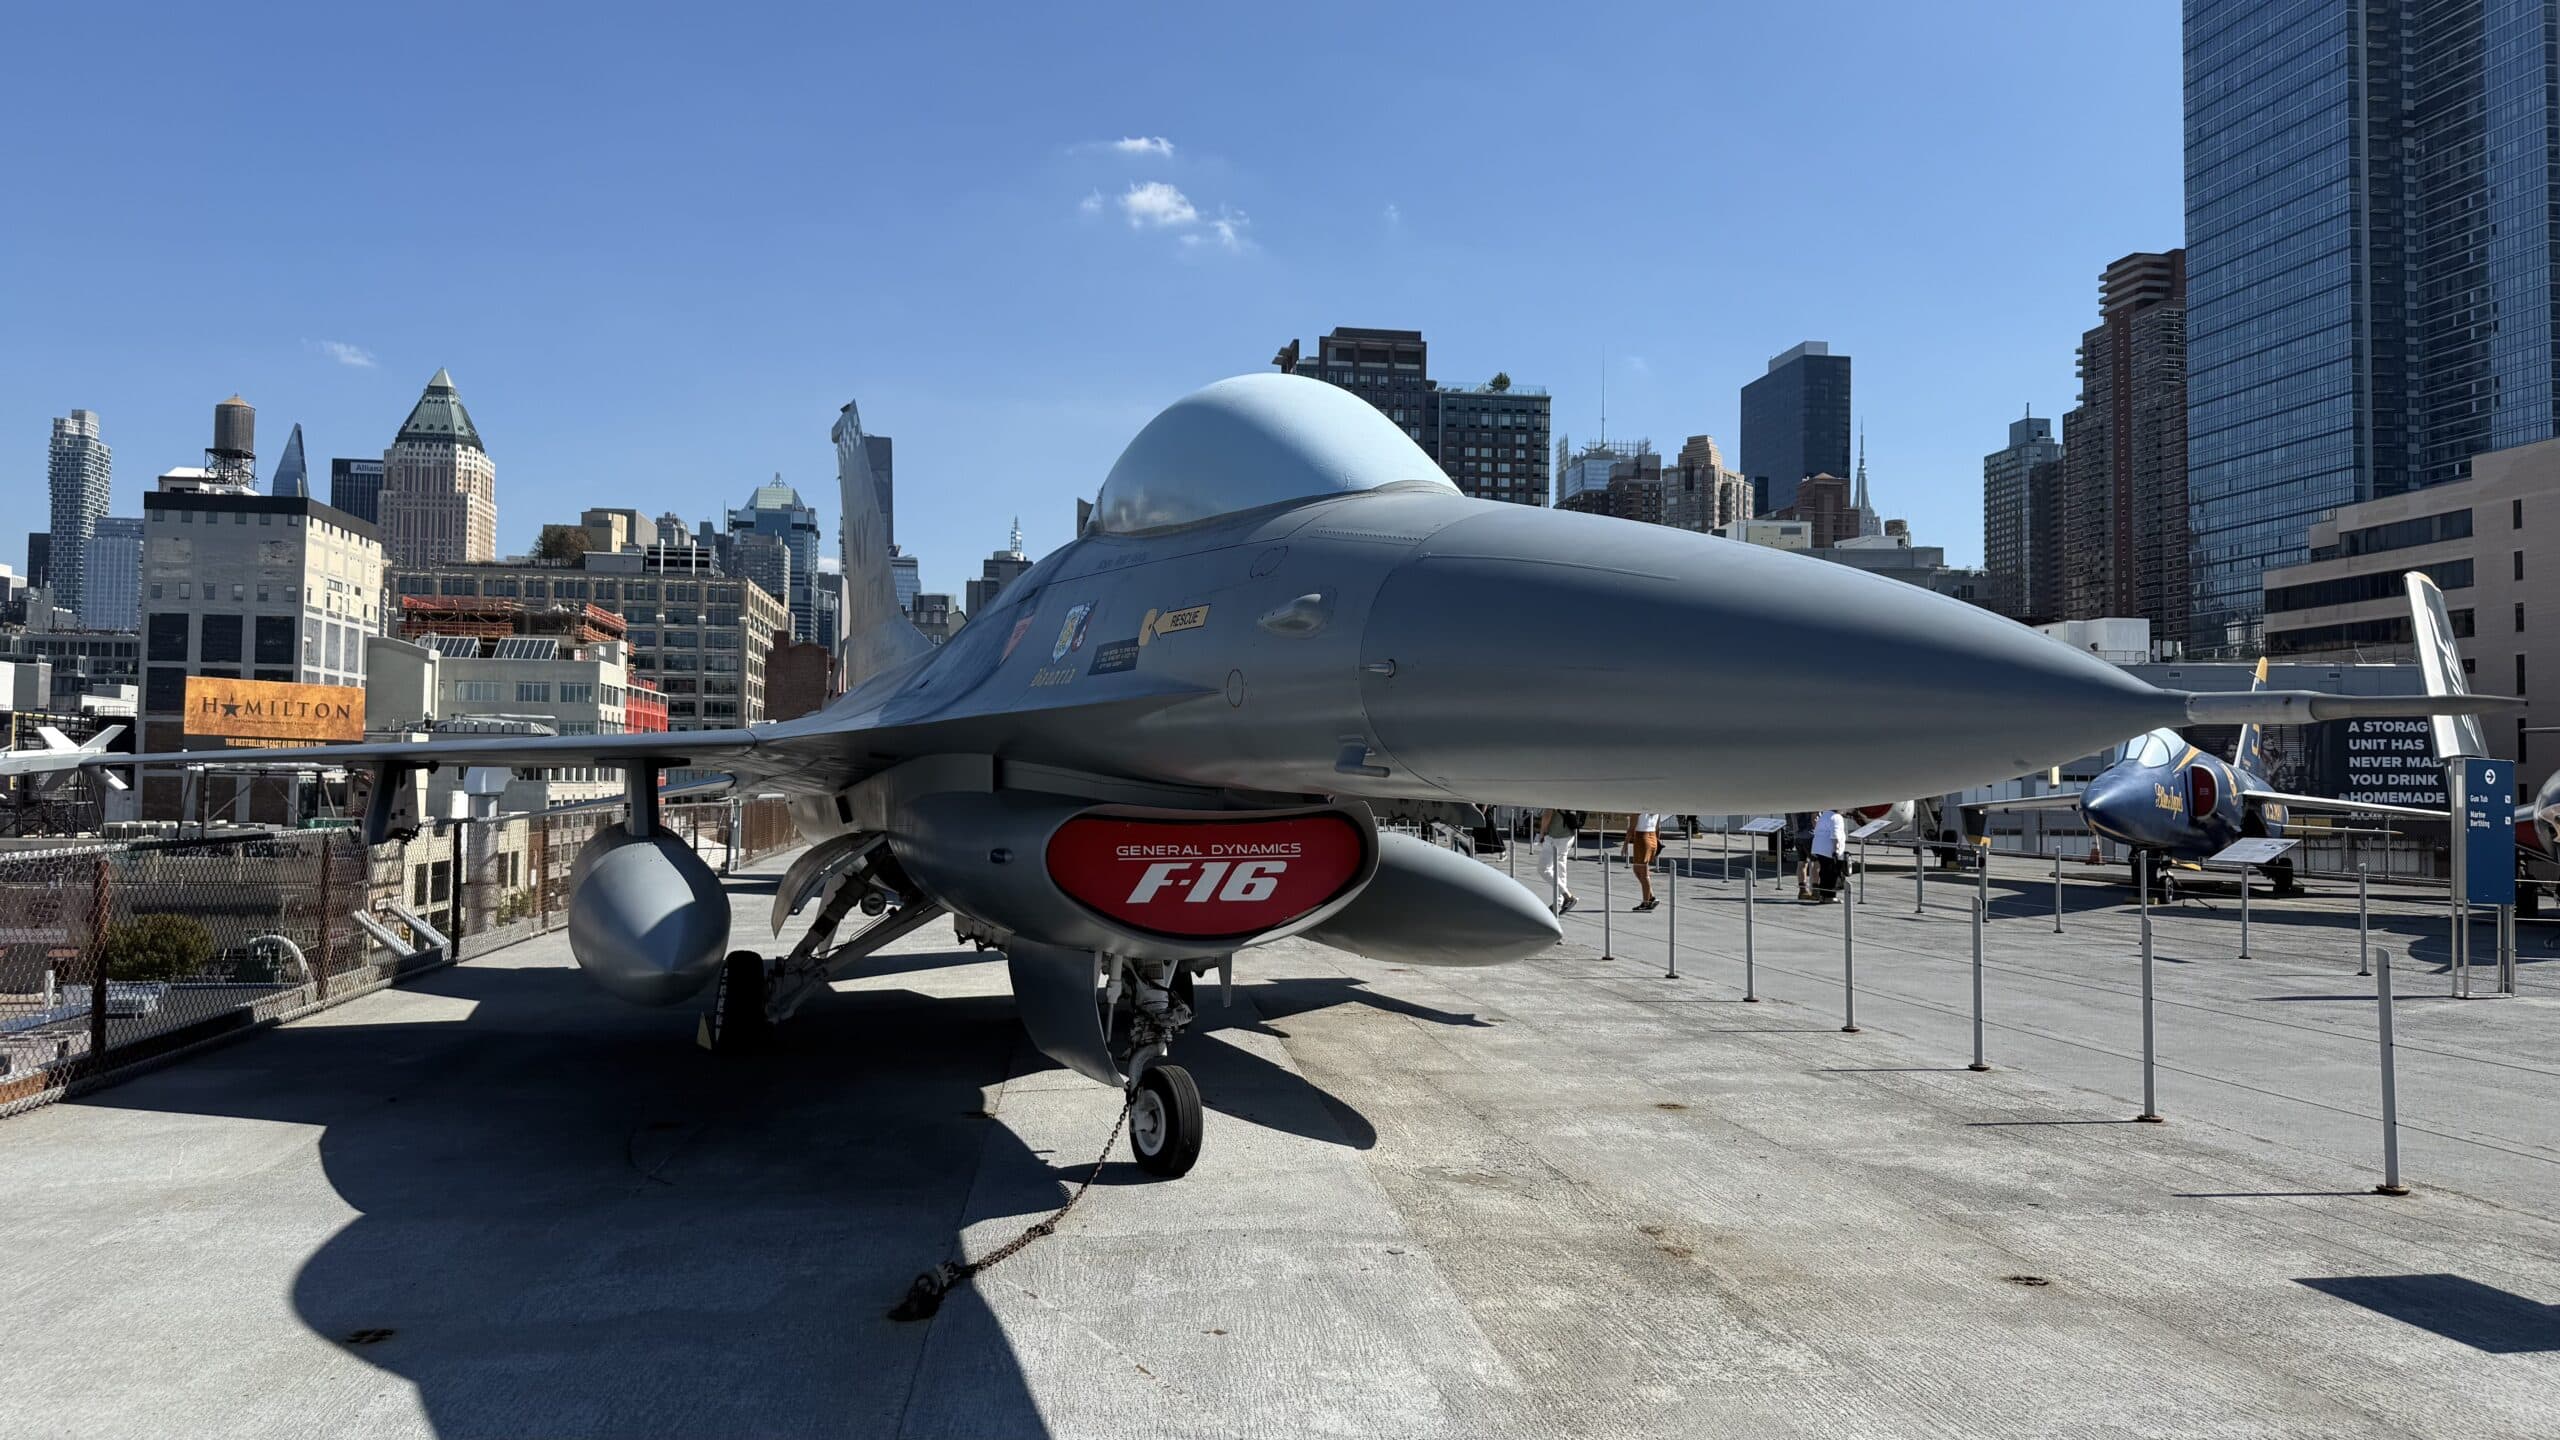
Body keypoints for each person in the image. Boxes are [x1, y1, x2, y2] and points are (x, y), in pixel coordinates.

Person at [1536, 808, 1581, 915]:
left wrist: (1542, 833)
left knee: (1543, 869)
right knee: (1560, 869)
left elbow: (1547, 814)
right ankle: (1559, 903)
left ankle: (1568, 897)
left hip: (1556, 837)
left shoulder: (1552, 794)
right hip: (1569, 835)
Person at [1810, 808, 1848, 903]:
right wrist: (1836, 850)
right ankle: (1830, 897)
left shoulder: (1824, 815)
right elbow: (1835, 835)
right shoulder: (1837, 817)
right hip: (1829, 850)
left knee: (1824, 873)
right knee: (1832, 874)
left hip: (1819, 849)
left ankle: (1823, 895)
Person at [1626, 812, 1661, 910]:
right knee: (1638, 870)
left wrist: (1625, 844)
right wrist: (1657, 843)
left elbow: (1631, 828)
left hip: (1642, 837)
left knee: (1643, 872)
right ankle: (1650, 897)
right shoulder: (1656, 810)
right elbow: (1658, 827)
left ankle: (1646, 902)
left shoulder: (1638, 809)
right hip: (1652, 836)